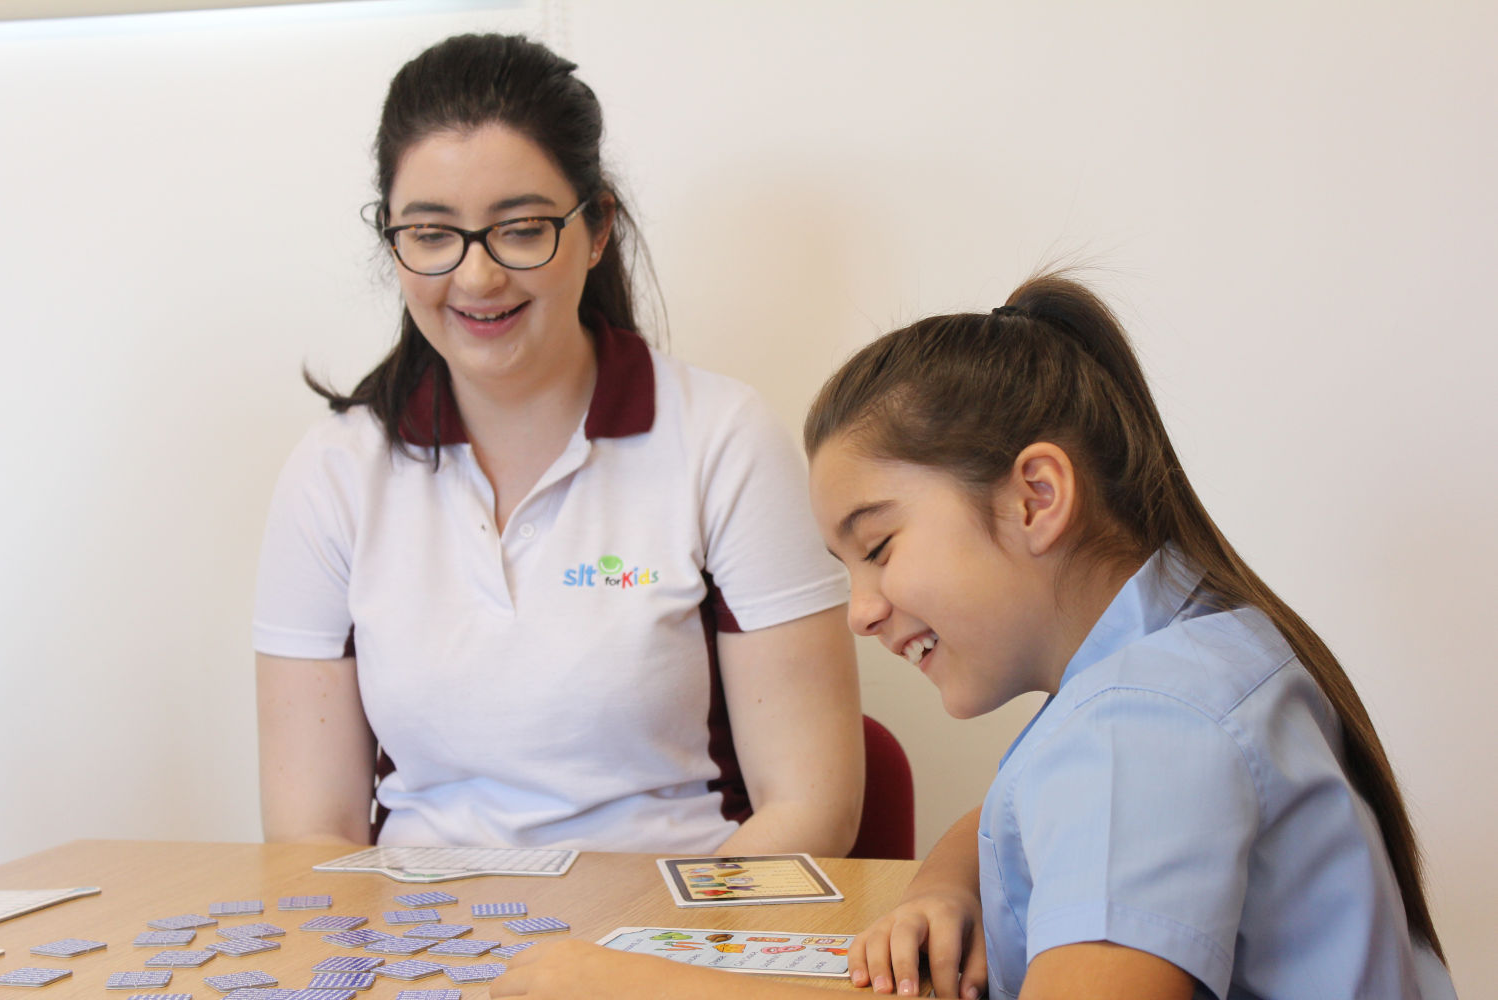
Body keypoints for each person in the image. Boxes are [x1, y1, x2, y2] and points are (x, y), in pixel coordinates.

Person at [489, 273, 1456, 999]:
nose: (862, 607)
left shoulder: (1146, 725)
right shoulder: (1183, 650)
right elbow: (1004, 811)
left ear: (1037, 496)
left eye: (878, 545)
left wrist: (611, 981)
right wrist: (945, 889)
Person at [251, 33, 863, 855]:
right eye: (432, 235)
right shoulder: (333, 475)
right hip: (423, 952)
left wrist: (623, 968)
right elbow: (311, 838)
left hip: (672, 939)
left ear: (597, 225)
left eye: (521, 228)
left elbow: (811, 812)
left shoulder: (724, 440)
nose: (476, 278)